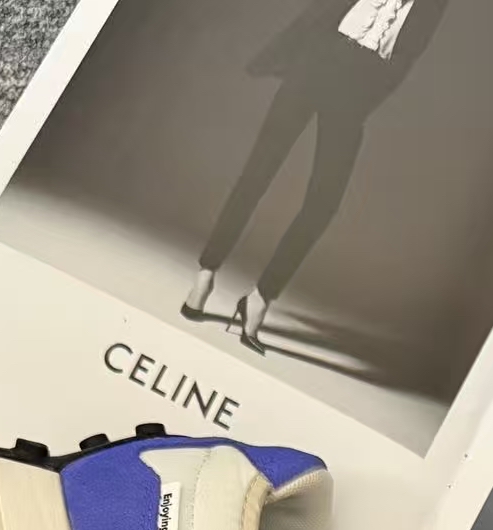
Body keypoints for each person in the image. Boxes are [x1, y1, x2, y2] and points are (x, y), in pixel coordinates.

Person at [182, 0, 451, 347]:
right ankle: (206, 273)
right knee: (257, 175)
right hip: (317, 62)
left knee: (324, 202)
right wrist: (301, 53)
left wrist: (368, 95)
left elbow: (407, 55)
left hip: (358, 88)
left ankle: (261, 297)